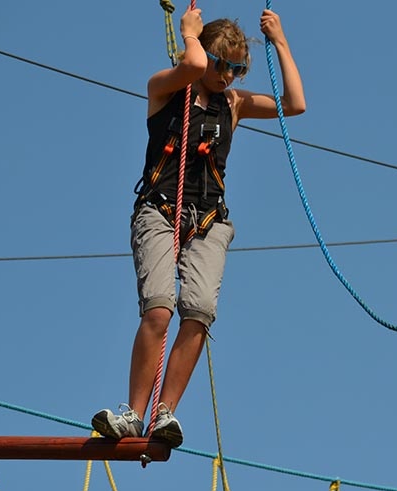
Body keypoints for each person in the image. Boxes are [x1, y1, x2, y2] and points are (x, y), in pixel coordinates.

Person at [91, 7, 306, 448]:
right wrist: (190, 33)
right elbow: (190, 66)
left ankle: (164, 411)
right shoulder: (165, 89)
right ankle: (134, 413)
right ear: (203, 54)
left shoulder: (234, 104)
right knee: (159, 308)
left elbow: (294, 104)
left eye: (237, 69)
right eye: (221, 64)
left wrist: (280, 41)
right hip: (160, 211)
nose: (227, 76)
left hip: (208, 221)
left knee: (199, 310)